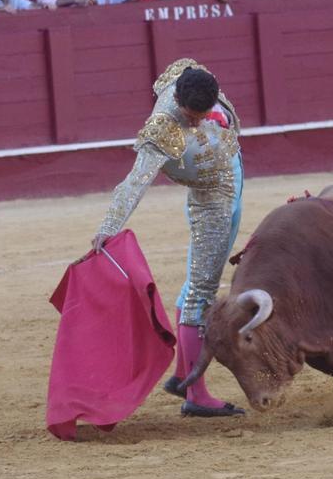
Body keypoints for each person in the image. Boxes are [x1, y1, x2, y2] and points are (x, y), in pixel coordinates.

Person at [92, 60, 246, 418]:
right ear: (177, 101)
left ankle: (182, 374)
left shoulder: (199, 81)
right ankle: (197, 393)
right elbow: (136, 181)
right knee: (201, 292)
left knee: (198, 285)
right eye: (191, 116)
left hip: (232, 176)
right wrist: (109, 226)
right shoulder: (161, 127)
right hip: (210, 202)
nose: (196, 122)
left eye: (202, 114)